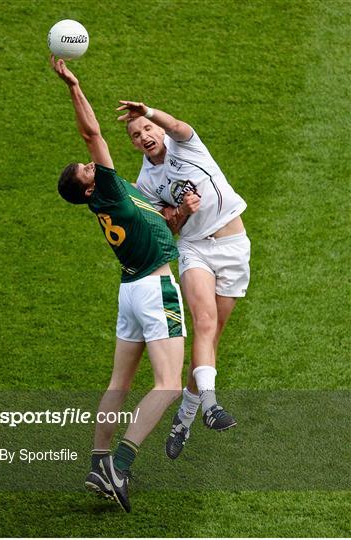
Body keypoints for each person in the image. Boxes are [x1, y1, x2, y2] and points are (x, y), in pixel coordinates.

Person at [51, 58, 186, 512]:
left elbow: (159, 218)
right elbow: (93, 134)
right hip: (154, 288)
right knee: (168, 385)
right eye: (85, 170)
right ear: (89, 190)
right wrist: (75, 86)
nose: (91, 163)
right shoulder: (107, 189)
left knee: (119, 383)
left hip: (130, 290)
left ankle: (97, 460)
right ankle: (120, 467)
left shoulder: (113, 196)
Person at [117, 101, 250, 459]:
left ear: (157, 129)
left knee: (212, 337)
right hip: (195, 249)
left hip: (234, 246)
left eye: (147, 128)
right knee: (203, 323)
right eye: (136, 135)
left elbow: (177, 123)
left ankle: (183, 420)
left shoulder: (187, 145)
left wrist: (148, 110)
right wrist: (180, 213)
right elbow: (165, 228)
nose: (144, 136)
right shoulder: (145, 183)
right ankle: (210, 406)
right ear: (133, 144)